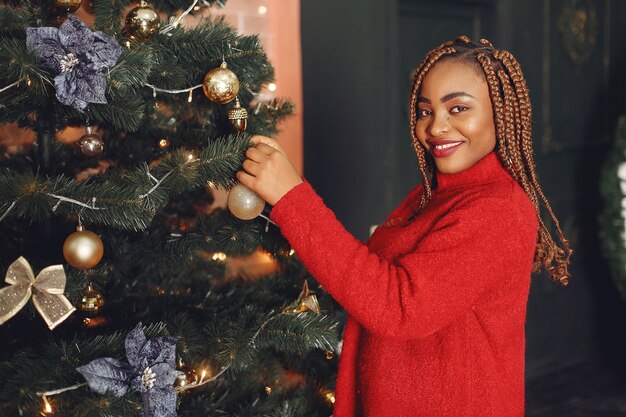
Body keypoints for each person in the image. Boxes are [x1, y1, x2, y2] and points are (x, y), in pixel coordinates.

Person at [236, 35, 572, 417]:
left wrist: (293, 197)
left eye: (458, 108)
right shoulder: (435, 194)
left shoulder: (498, 209)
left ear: (501, 113)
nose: (436, 127)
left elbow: (398, 306)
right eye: (425, 111)